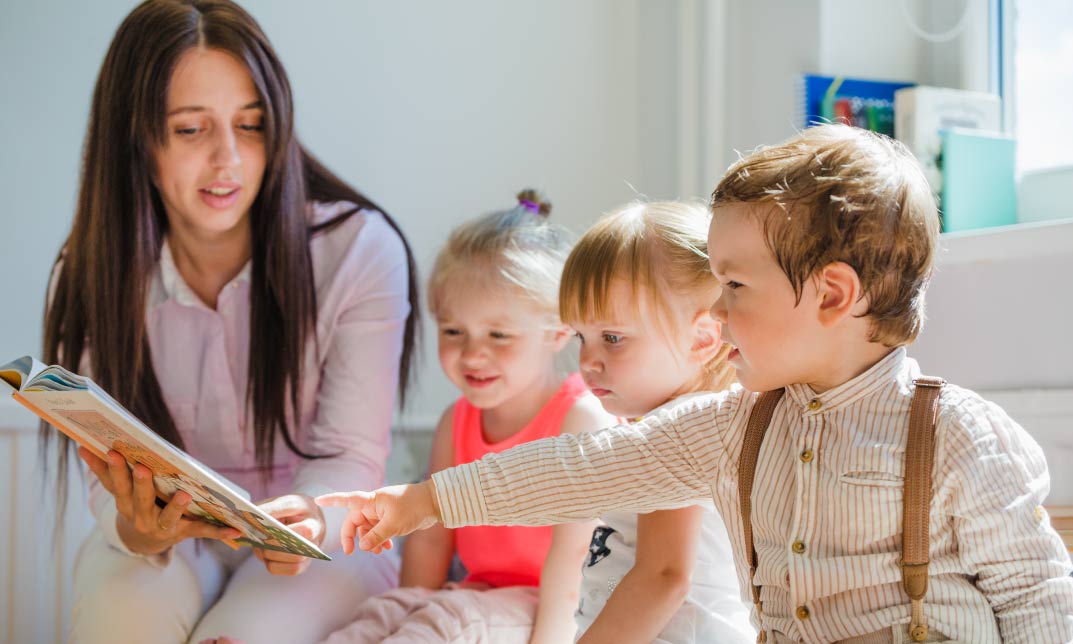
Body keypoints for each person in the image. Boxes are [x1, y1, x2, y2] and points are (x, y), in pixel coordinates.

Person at [318, 124, 1073, 643]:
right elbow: (583, 469)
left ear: (832, 295)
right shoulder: (732, 425)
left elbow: (1038, 597)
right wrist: (420, 501)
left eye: (734, 286)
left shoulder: (958, 437)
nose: (715, 311)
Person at [41, 1, 419, 642]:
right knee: (118, 623)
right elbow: (107, 481)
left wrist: (310, 519)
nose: (229, 161)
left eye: (251, 126)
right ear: (136, 139)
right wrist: (139, 526)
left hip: (319, 534)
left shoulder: (358, 252)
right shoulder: (91, 272)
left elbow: (350, 455)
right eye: (191, 130)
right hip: (171, 540)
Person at [315, 191, 615, 644]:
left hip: (554, 609)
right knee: (383, 612)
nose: (473, 353)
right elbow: (431, 537)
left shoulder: (580, 417)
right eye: (454, 331)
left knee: (445, 622)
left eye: (499, 334)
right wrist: (412, 602)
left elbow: (572, 560)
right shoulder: (456, 422)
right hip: (479, 596)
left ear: (557, 334)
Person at [558, 201, 754, 643]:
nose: (588, 361)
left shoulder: (681, 432)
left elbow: (664, 576)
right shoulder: (661, 426)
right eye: (581, 337)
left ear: (702, 339)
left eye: (612, 338)